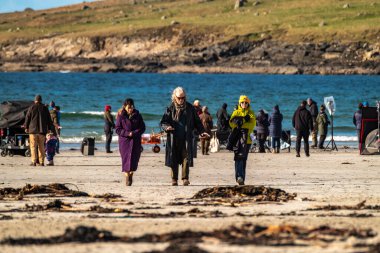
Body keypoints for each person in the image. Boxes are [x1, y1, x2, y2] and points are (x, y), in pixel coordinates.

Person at [160, 87, 206, 186]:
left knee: (186, 158)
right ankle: (174, 179)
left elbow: (197, 122)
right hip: (173, 137)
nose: (181, 100)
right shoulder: (170, 108)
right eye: (179, 98)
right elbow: (163, 122)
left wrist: (202, 132)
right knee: (174, 158)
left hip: (186, 137)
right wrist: (167, 127)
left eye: (183, 98)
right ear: (174, 97)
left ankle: (185, 178)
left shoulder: (190, 108)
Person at [115, 98, 146, 186]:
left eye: (132, 107)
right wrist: (127, 133)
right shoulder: (120, 116)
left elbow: (142, 127)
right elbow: (117, 129)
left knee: (134, 159)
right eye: (129, 107)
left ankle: (131, 174)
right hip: (124, 141)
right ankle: (127, 176)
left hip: (135, 140)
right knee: (125, 159)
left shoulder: (138, 115)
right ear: (125, 107)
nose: (130, 109)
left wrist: (135, 133)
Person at [229, 95, 256, 185]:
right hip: (237, 139)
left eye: (246, 102)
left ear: (248, 103)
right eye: (242, 102)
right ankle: (239, 177)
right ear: (239, 103)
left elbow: (252, 126)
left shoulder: (251, 113)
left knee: (243, 159)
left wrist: (241, 124)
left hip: (247, 140)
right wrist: (244, 121)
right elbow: (231, 124)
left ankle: (241, 178)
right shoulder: (236, 112)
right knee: (238, 158)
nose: (244, 104)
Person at [24, 95, 55, 166]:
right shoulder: (45, 108)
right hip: (42, 131)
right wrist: (50, 128)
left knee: (33, 146)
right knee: (41, 147)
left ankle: (33, 161)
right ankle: (41, 162)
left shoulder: (31, 107)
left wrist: (26, 127)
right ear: (41, 100)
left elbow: (27, 118)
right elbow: (49, 120)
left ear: (35, 100)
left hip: (33, 131)